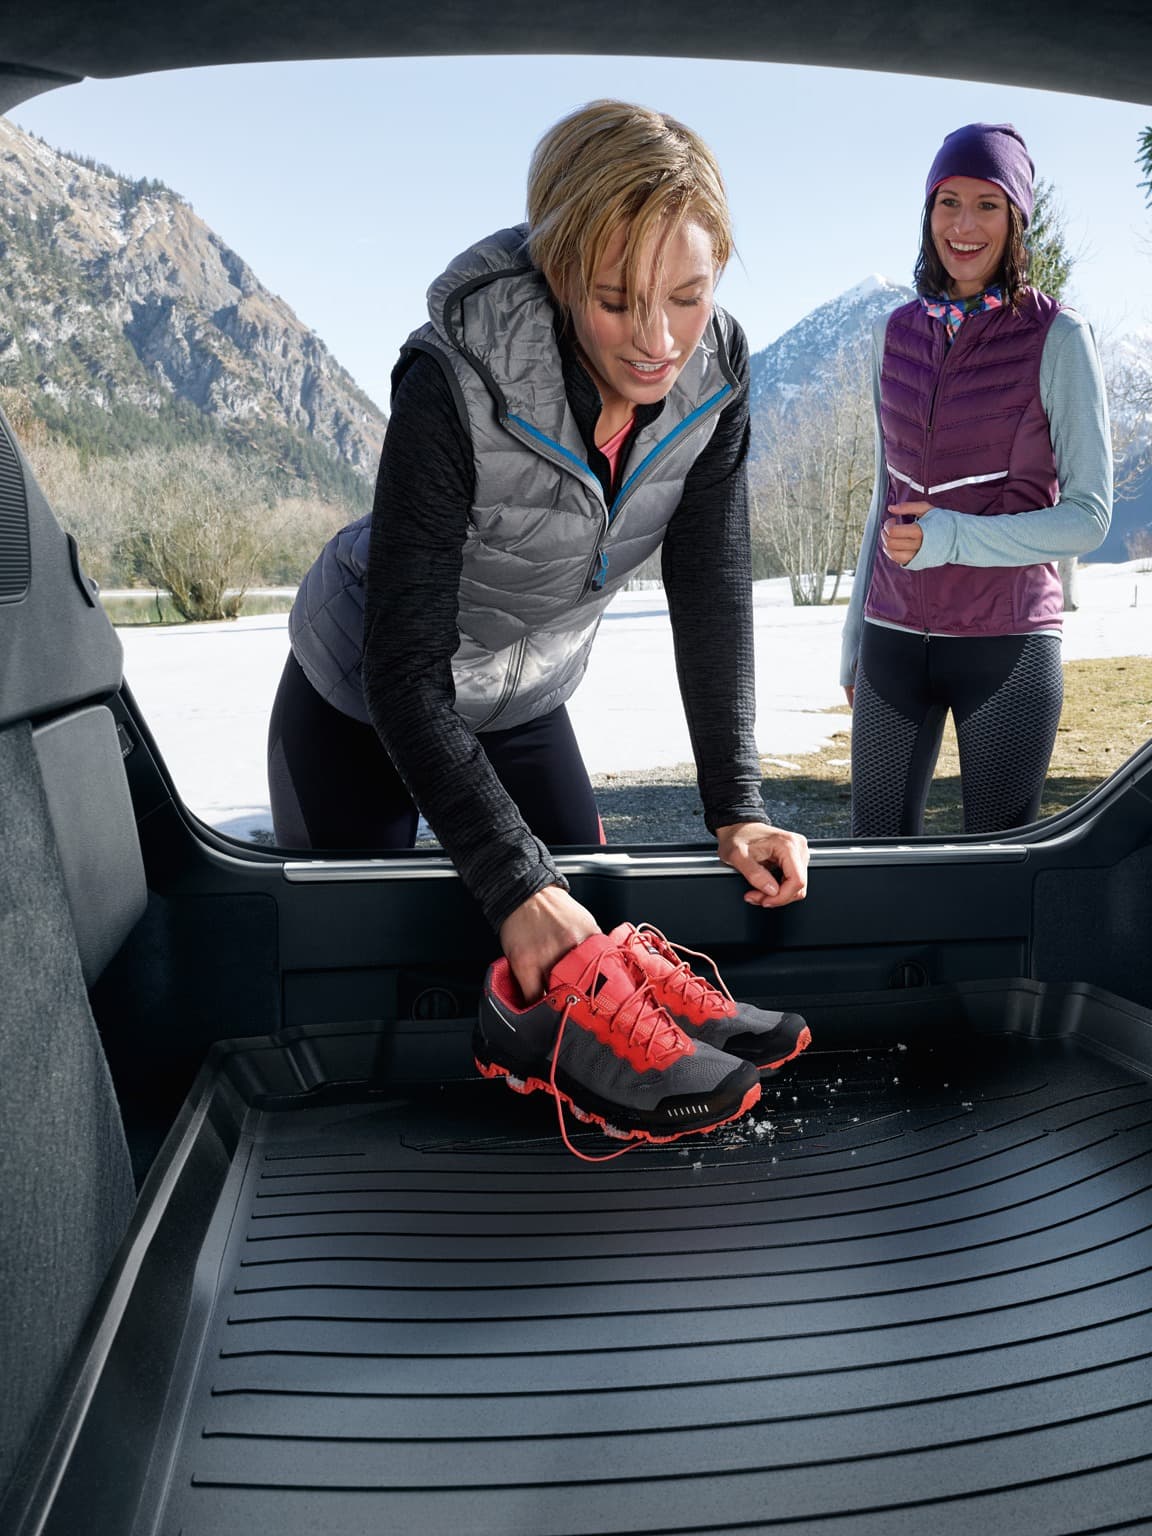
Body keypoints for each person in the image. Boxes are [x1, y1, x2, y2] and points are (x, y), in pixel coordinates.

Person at [268, 100, 810, 1145]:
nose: (657, 340)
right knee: (366, 978)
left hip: (525, 690)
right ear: (560, 272)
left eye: (688, 297)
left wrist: (736, 801)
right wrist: (515, 880)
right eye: (614, 300)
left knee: (587, 962)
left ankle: (552, 1046)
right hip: (364, 690)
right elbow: (407, 673)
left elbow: (711, 581)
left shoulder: (717, 376)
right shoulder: (454, 377)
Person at [840, 122, 1112, 839]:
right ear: (927, 212)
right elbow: (884, 495)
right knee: (877, 862)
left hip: (1008, 645)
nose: (964, 225)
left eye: (987, 205)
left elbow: (1088, 516)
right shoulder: (891, 333)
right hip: (892, 639)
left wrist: (951, 538)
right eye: (948, 202)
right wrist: (853, 639)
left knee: (993, 878)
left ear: (1017, 218)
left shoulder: (1059, 338)